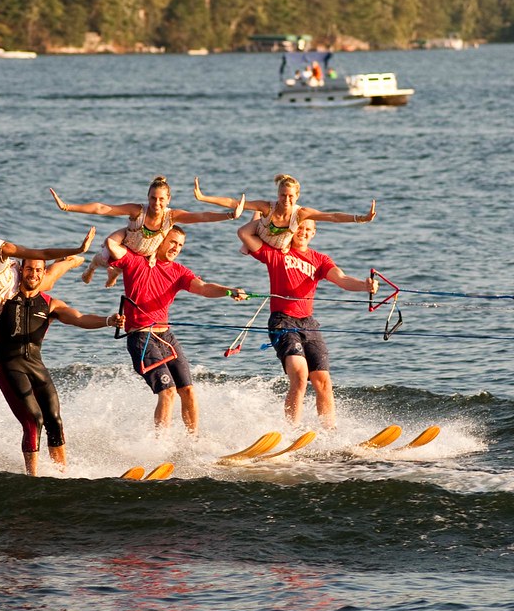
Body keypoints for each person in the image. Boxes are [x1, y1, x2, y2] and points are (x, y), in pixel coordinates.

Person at [0, 257, 125, 476]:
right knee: (33, 419)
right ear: (21, 270)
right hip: (8, 366)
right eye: (29, 269)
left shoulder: (50, 303)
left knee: (54, 420)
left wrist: (108, 320)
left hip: (36, 367)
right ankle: (33, 477)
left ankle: (61, 474)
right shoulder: (0, 298)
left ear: (43, 272)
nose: (34, 274)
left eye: (38, 270)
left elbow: (79, 318)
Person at [237, 215, 378, 430]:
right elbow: (244, 233)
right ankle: (291, 432)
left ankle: (329, 433)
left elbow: (341, 278)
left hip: (309, 324)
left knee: (323, 381)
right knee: (300, 376)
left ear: (314, 233)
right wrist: (272, 214)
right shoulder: (276, 254)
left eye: (308, 229)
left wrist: (364, 286)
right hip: (282, 321)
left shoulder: (320, 259)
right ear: (291, 230)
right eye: (299, 227)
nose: (303, 232)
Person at [103, 226, 246, 435]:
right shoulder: (135, 261)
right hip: (141, 338)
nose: (176, 248)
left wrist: (228, 290)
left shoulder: (178, 271)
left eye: (180, 245)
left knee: (187, 390)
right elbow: (111, 244)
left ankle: (194, 442)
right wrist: (140, 225)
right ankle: (161, 445)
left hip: (166, 337)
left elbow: (203, 287)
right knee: (168, 391)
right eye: (172, 242)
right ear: (160, 240)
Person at [48, 176, 245, 287]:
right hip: (127, 247)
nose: (156, 203)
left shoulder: (172, 216)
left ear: (168, 199)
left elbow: (201, 216)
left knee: (121, 270)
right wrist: (67, 206)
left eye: (161, 199)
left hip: (145, 255)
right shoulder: (138, 211)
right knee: (104, 257)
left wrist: (229, 215)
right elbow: (102, 208)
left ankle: (113, 275)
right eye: (152, 198)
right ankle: (90, 269)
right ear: (147, 197)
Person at [193, 174, 376, 254]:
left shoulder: (301, 213)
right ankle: (256, 217)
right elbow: (234, 202)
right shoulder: (269, 207)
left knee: (284, 245)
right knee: (246, 227)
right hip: (260, 235)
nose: (286, 199)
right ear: (277, 194)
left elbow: (332, 216)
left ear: (297, 196)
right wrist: (203, 197)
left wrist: (360, 218)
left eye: (290, 196)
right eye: (282, 195)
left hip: (279, 244)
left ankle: (257, 219)